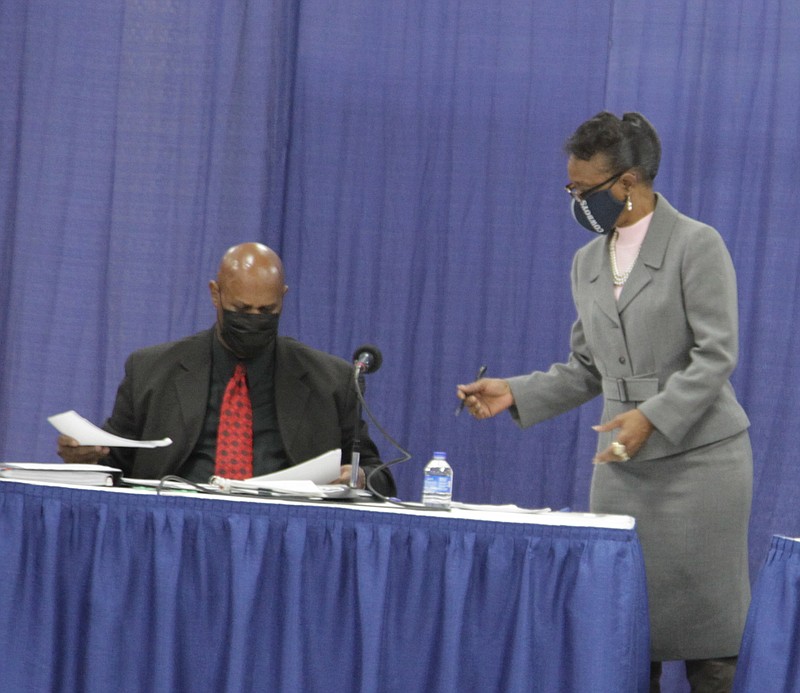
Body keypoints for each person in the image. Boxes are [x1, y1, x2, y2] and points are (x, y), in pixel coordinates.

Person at [457, 112, 752, 693]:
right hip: (623, 469)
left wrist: (652, 416)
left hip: (701, 468)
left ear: (629, 182)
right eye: (570, 189)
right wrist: (515, 391)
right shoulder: (587, 263)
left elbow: (716, 356)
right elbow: (589, 368)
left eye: (583, 190)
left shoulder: (697, 244)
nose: (575, 201)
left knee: (710, 650)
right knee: (625, 639)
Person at [58, 242, 396, 497]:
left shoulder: (331, 380)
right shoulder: (151, 370)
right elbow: (114, 464)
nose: (254, 319)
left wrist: (360, 477)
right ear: (215, 295)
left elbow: (379, 474)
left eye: (267, 310)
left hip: (284, 531)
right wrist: (85, 457)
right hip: (174, 523)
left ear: (284, 298)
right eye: (241, 308)